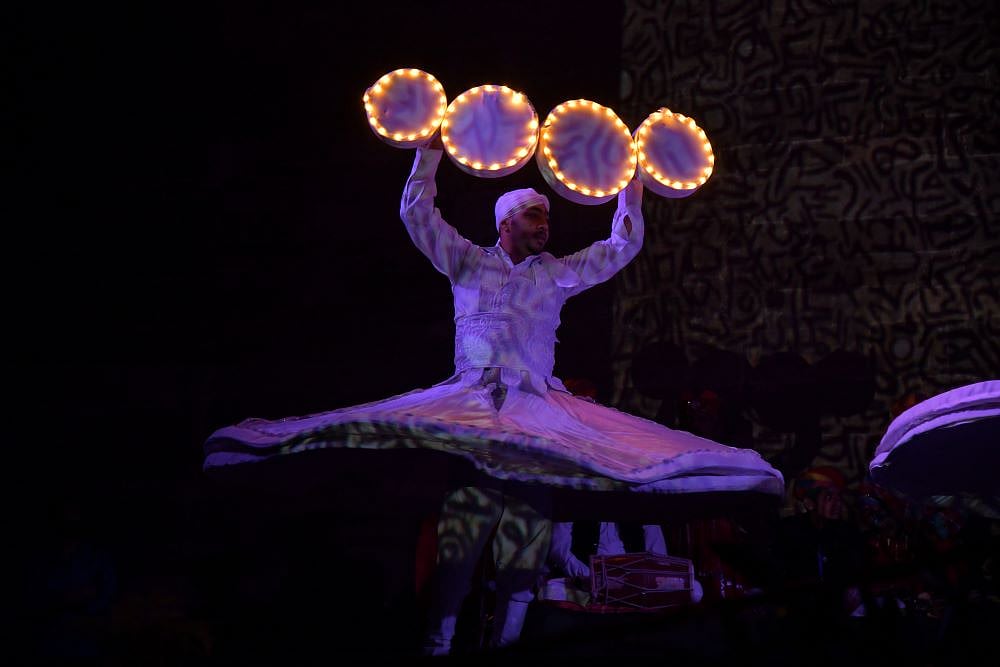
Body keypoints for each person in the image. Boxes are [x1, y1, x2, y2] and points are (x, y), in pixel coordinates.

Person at [204, 130, 783, 655]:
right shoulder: (467, 264)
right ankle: (439, 641)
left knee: (525, 541)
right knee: (466, 533)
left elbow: (619, 248)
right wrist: (428, 151)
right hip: (474, 406)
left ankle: (506, 642)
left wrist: (631, 190)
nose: (545, 226)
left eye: (547, 219)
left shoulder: (554, 272)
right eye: (535, 217)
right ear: (506, 222)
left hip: (534, 413)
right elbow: (417, 215)